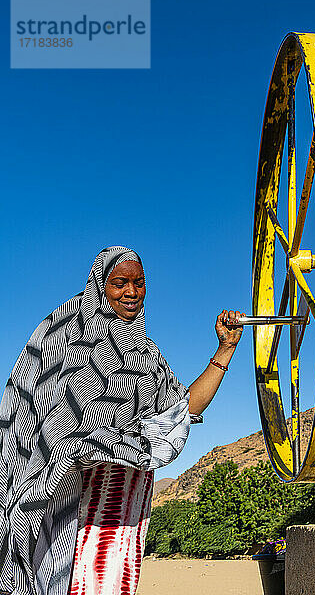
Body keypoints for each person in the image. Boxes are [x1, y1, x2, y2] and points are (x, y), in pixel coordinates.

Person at [0, 246, 244, 595]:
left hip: (123, 503)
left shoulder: (148, 355)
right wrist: (80, 443)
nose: (131, 292)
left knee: (108, 583)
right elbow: (28, 414)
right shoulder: (63, 337)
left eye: (139, 283)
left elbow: (182, 411)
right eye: (120, 283)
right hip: (67, 495)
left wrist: (225, 349)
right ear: (100, 285)